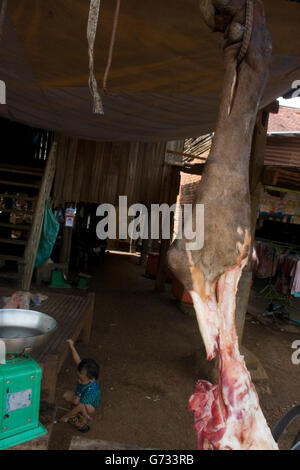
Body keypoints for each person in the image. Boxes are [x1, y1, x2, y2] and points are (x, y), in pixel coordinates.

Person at [59, 339, 100, 433]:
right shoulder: (84, 371)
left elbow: (79, 406)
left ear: (91, 379)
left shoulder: (91, 391)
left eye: (81, 378)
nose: (79, 379)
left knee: (79, 408)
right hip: (81, 396)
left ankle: (86, 417)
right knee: (67, 396)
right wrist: (72, 346)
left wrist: (66, 416)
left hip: (90, 405)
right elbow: (77, 360)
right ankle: (82, 412)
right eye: (78, 376)